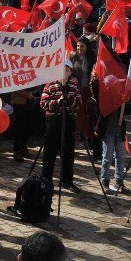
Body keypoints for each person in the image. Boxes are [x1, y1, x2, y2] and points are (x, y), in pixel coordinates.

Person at [40, 62, 81, 192]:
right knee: (49, 151)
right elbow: (43, 102)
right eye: (62, 69)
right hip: (53, 120)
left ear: (70, 72)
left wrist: (70, 99)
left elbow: (79, 102)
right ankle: (46, 180)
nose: (64, 72)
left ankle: (67, 181)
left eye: (67, 70)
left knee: (68, 152)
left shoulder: (73, 85)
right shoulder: (50, 84)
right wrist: (57, 102)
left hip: (68, 119)